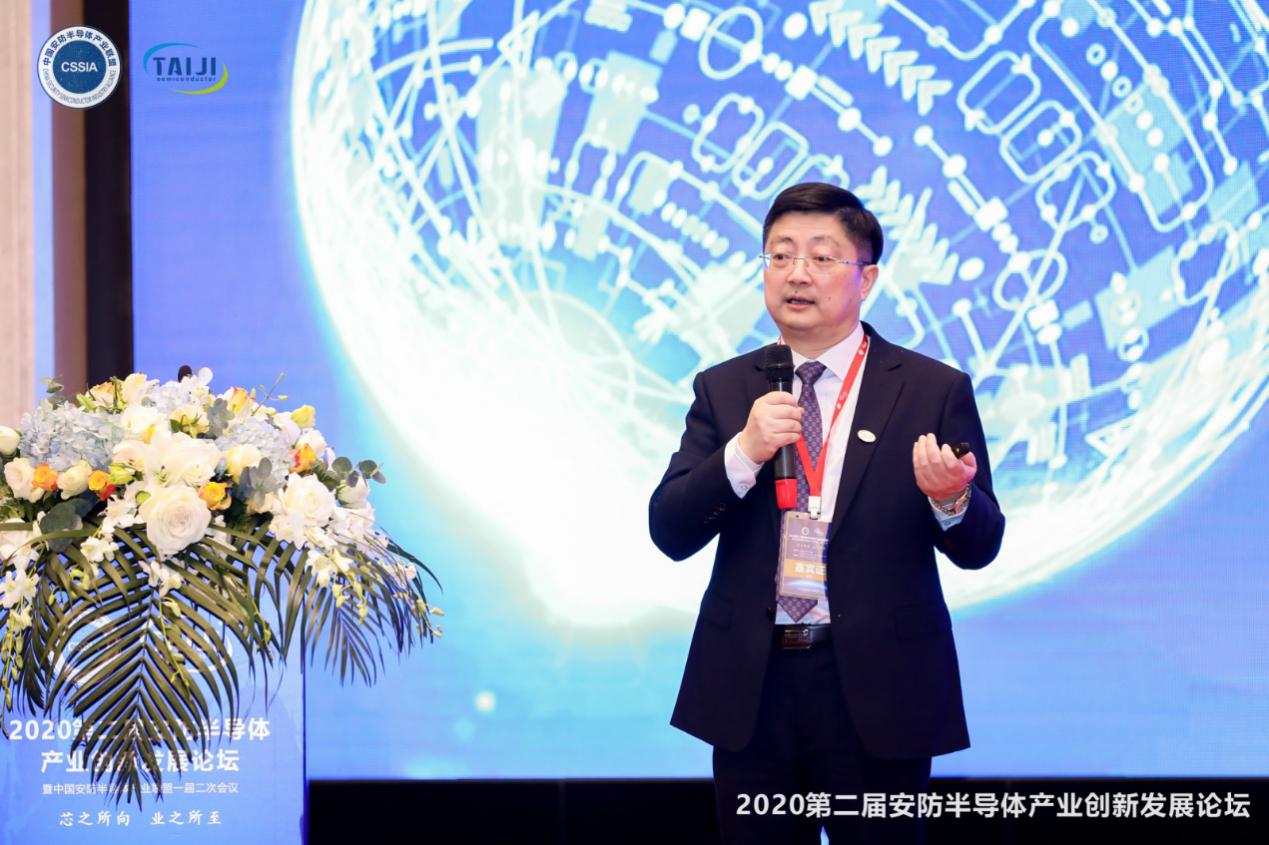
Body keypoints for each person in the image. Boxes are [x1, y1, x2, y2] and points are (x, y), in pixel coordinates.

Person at [648, 182, 1005, 844]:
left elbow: (982, 544)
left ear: (865, 278)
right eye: (780, 255)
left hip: (878, 687)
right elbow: (669, 529)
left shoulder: (930, 389)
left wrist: (950, 498)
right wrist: (743, 451)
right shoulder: (725, 388)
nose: (796, 274)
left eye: (820, 256)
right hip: (754, 689)